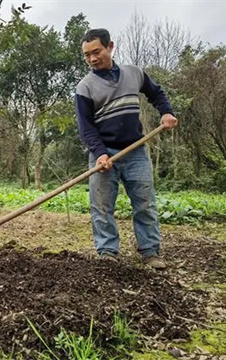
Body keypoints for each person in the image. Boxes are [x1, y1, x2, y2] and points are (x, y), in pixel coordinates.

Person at [74, 28, 178, 269]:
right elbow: (86, 128)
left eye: (96, 52)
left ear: (110, 46)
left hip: (136, 151)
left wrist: (167, 112)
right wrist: (99, 153)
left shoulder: (134, 74)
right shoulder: (85, 87)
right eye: (87, 55)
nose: (92, 59)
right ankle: (108, 252)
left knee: (145, 203)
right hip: (104, 153)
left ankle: (150, 252)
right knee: (101, 206)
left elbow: (156, 93)